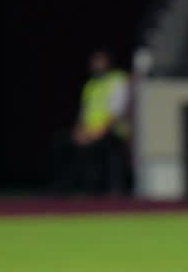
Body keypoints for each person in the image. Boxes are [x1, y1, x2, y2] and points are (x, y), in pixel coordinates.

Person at [51, 49, 131, 195]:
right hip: (90, 131)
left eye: (100, 61)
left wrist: (99, 131)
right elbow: (83, 112)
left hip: (112, 131)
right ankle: (64, 188)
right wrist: (79, 131)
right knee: (61, 141)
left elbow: (118, 110)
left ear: (108, 62)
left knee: (94, 149)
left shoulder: (118, 80)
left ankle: (95, 190)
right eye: (94, 61)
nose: (96, 65)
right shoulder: (91, 85)